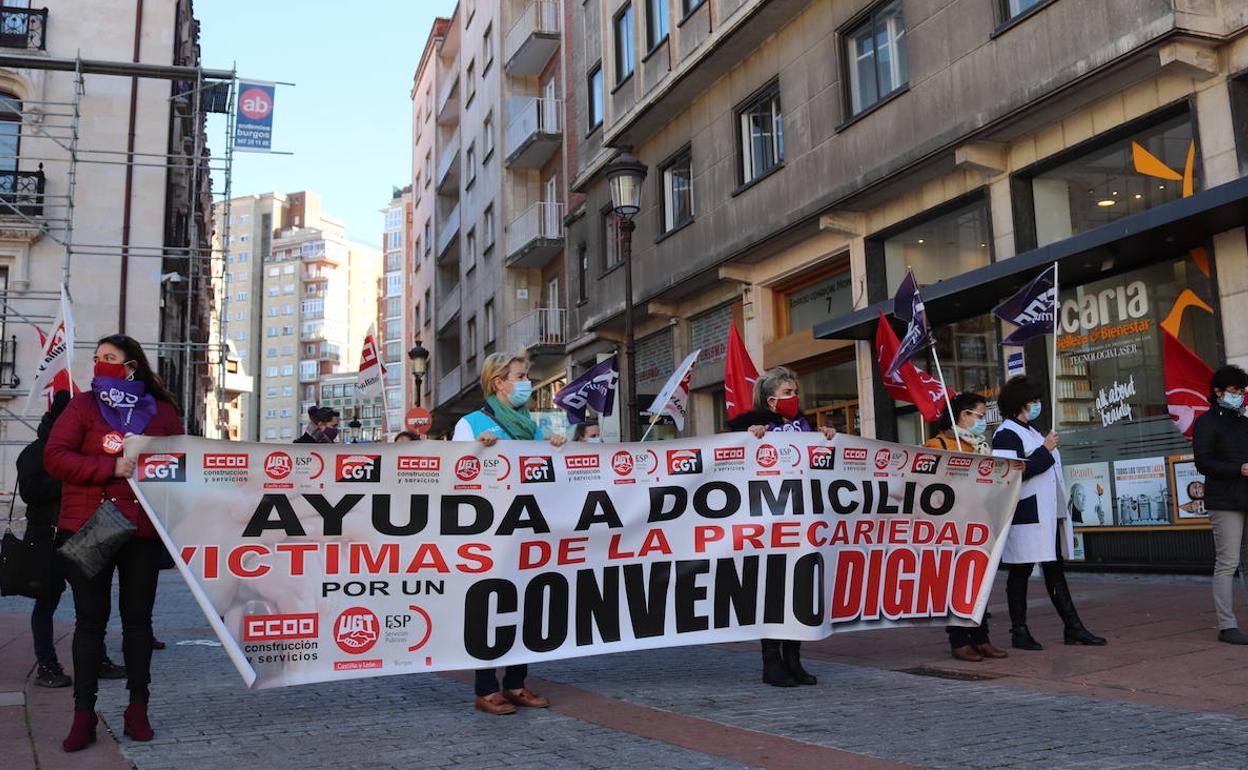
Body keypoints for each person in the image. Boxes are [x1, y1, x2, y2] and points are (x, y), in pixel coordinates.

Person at [44, 335, 184, 751]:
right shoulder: (83, 405)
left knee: (138, 623)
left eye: (109, 357)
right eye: (97, 357)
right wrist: (111, 467)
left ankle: (137, 708)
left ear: (131, 366)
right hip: (90, 525)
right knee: (90, 622)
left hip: (142, 529)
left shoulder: (161, 410)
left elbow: (180, 463)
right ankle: (83, 713)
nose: (100, 363)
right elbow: (56, 456)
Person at [453, 352, 565, 715]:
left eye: (526, 376)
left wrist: (555, 450)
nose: (526, 383)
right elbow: (453, 476)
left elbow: (544, 476)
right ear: (499, 382)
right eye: (520, 377)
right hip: (488, 534)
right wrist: (475, 451)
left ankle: (516, 683)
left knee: (526, 606)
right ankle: (486, 688)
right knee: (490, 608)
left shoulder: (531, 427)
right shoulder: (470, 424)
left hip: (526, 529)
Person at [727, 366, 836, 687]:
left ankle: (793, 659)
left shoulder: (805, 428)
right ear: (771, 400)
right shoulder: (750, 428)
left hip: (801, 525)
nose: (794, 397)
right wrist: (747, 438)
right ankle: (771, 662)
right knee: (773, 592)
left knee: (799, 592)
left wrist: (828, 438)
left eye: (795, 392)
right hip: (767, 527)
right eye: (788, 393)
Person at [992, 376, 1105, 652]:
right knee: (1020, 570)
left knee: (1055, 569)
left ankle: (1073, 627)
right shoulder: (1006, 433)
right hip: (1025, 513)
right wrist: (1045, 451)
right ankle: (1019, 630)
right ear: (1019, 403)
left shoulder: (1032, 430)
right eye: (1032, 400)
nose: (1037, 405)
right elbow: (1010, 474)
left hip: (1047, 512)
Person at [923, 392, 1007, 662]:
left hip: (979, 522)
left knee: (979, 581)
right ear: (963, 415)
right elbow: (926, 485)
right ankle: (959, 640)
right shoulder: (937, 445)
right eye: (979, 415)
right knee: (955, 583)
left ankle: (981, 638)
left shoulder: (979, 446)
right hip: (951, 525)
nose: (982, 421)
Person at [1192, 364, 1248, 644]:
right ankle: (1227, 625)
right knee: (1228, 562)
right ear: (1218, 392)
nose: (1239, 395)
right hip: (1225, 501)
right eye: (1234, 390)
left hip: (1245, 496)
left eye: (1242, 391)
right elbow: (1203, 462)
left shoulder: (1244, 422)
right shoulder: (1206, 423)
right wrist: (1239, 469)